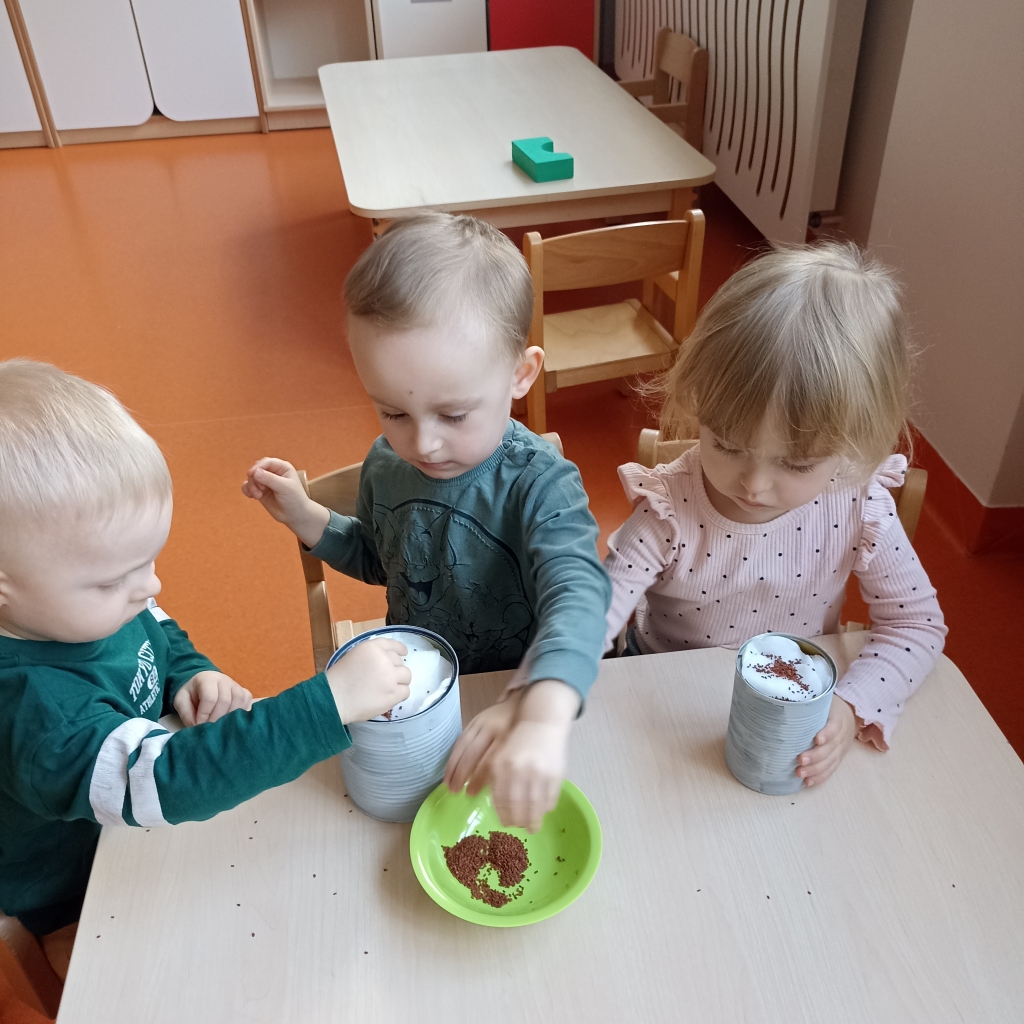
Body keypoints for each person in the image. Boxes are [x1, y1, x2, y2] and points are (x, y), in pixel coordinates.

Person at [0, 360, 412, 979]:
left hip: (141, 829)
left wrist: (189, 675)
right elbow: (165, 781)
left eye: (150, 560)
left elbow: (156, 632)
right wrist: (325, 705)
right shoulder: (37, 712)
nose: (151, 586)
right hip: (76, 893)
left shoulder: (87, 604)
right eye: (115, 579)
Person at [243, 214, 610, 832]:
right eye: (393, 412)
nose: (424, 443)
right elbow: (381, 558)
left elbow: (580, 595)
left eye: (454, 414)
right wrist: (308, 517)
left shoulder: (540, 483)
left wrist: (540, 710)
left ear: (520, 374)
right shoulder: (387, 464)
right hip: (423, 692)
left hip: (517, 692)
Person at [603, 243, 947, 784]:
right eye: (726, 444)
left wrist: (852, 703)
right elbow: (594, 610)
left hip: (791, 713)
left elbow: (917, 624)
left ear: (854, 444)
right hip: (663, 696)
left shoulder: (859, 505)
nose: (754, 485)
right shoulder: (668, 510)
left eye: (796, 463)